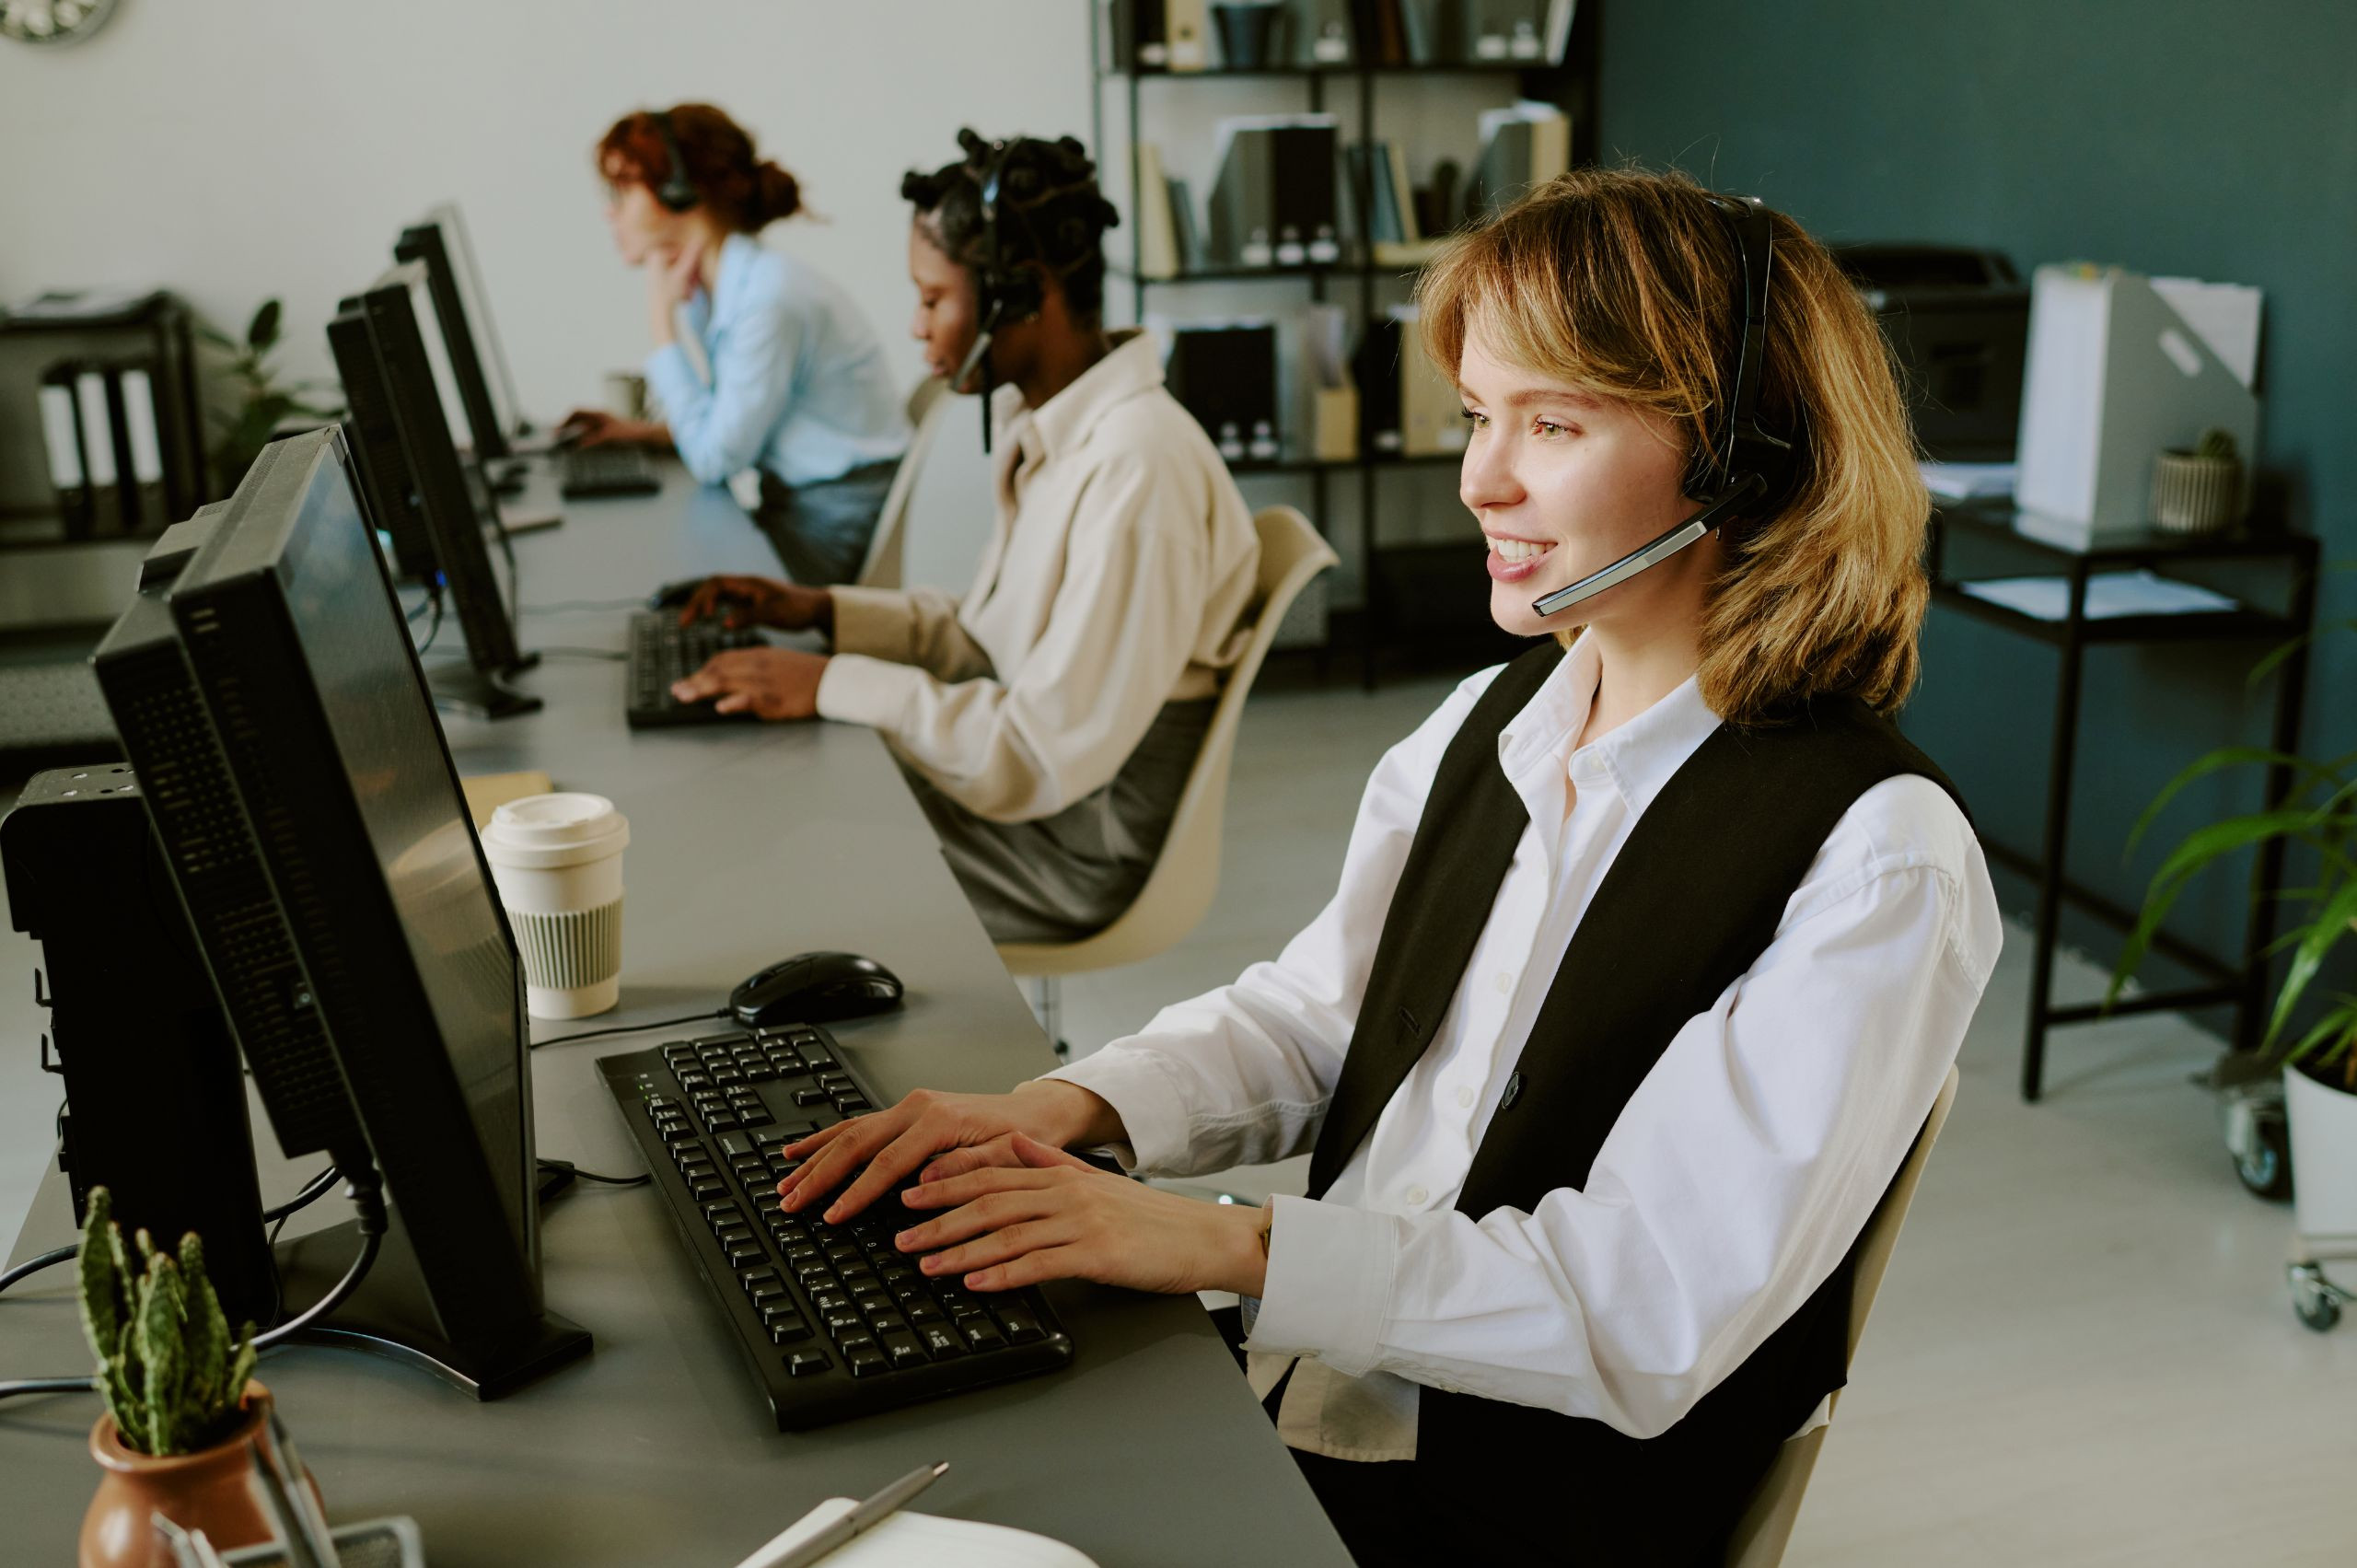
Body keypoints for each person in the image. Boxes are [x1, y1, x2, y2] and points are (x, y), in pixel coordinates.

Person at [764, 168, 2003, 1566]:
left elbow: (1643, 1305)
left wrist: (1220, 1243)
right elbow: (1321, 1012)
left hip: (1515, 1499)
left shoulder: (1877, 858)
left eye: (1553, 421)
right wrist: (1068, 1107)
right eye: (1481, 415)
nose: (1481, 476)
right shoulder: (1489, 724)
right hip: (1314, 1389)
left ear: (1747, 456)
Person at [668, 131, 1260, 946]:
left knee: (774, 834)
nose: (916, 326)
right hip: (1035, 809)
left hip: (1067, 851)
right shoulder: (1055, 425)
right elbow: (990, 639)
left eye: (933, 298)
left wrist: (830, 683)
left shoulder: (1137, 470)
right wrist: (825, 613)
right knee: (767, 782)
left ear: (1024, 294)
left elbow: (1034, 752)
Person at [565, 102, 908, 586]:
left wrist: (661, 326)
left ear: (678, 193)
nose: (610, 212)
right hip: (809, 507)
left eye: (622, 191)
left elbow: (715, 459)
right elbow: (730, 421)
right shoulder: (726, 287)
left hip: (835, 524)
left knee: (656, 571)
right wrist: (642, 434)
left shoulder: (766, 300)